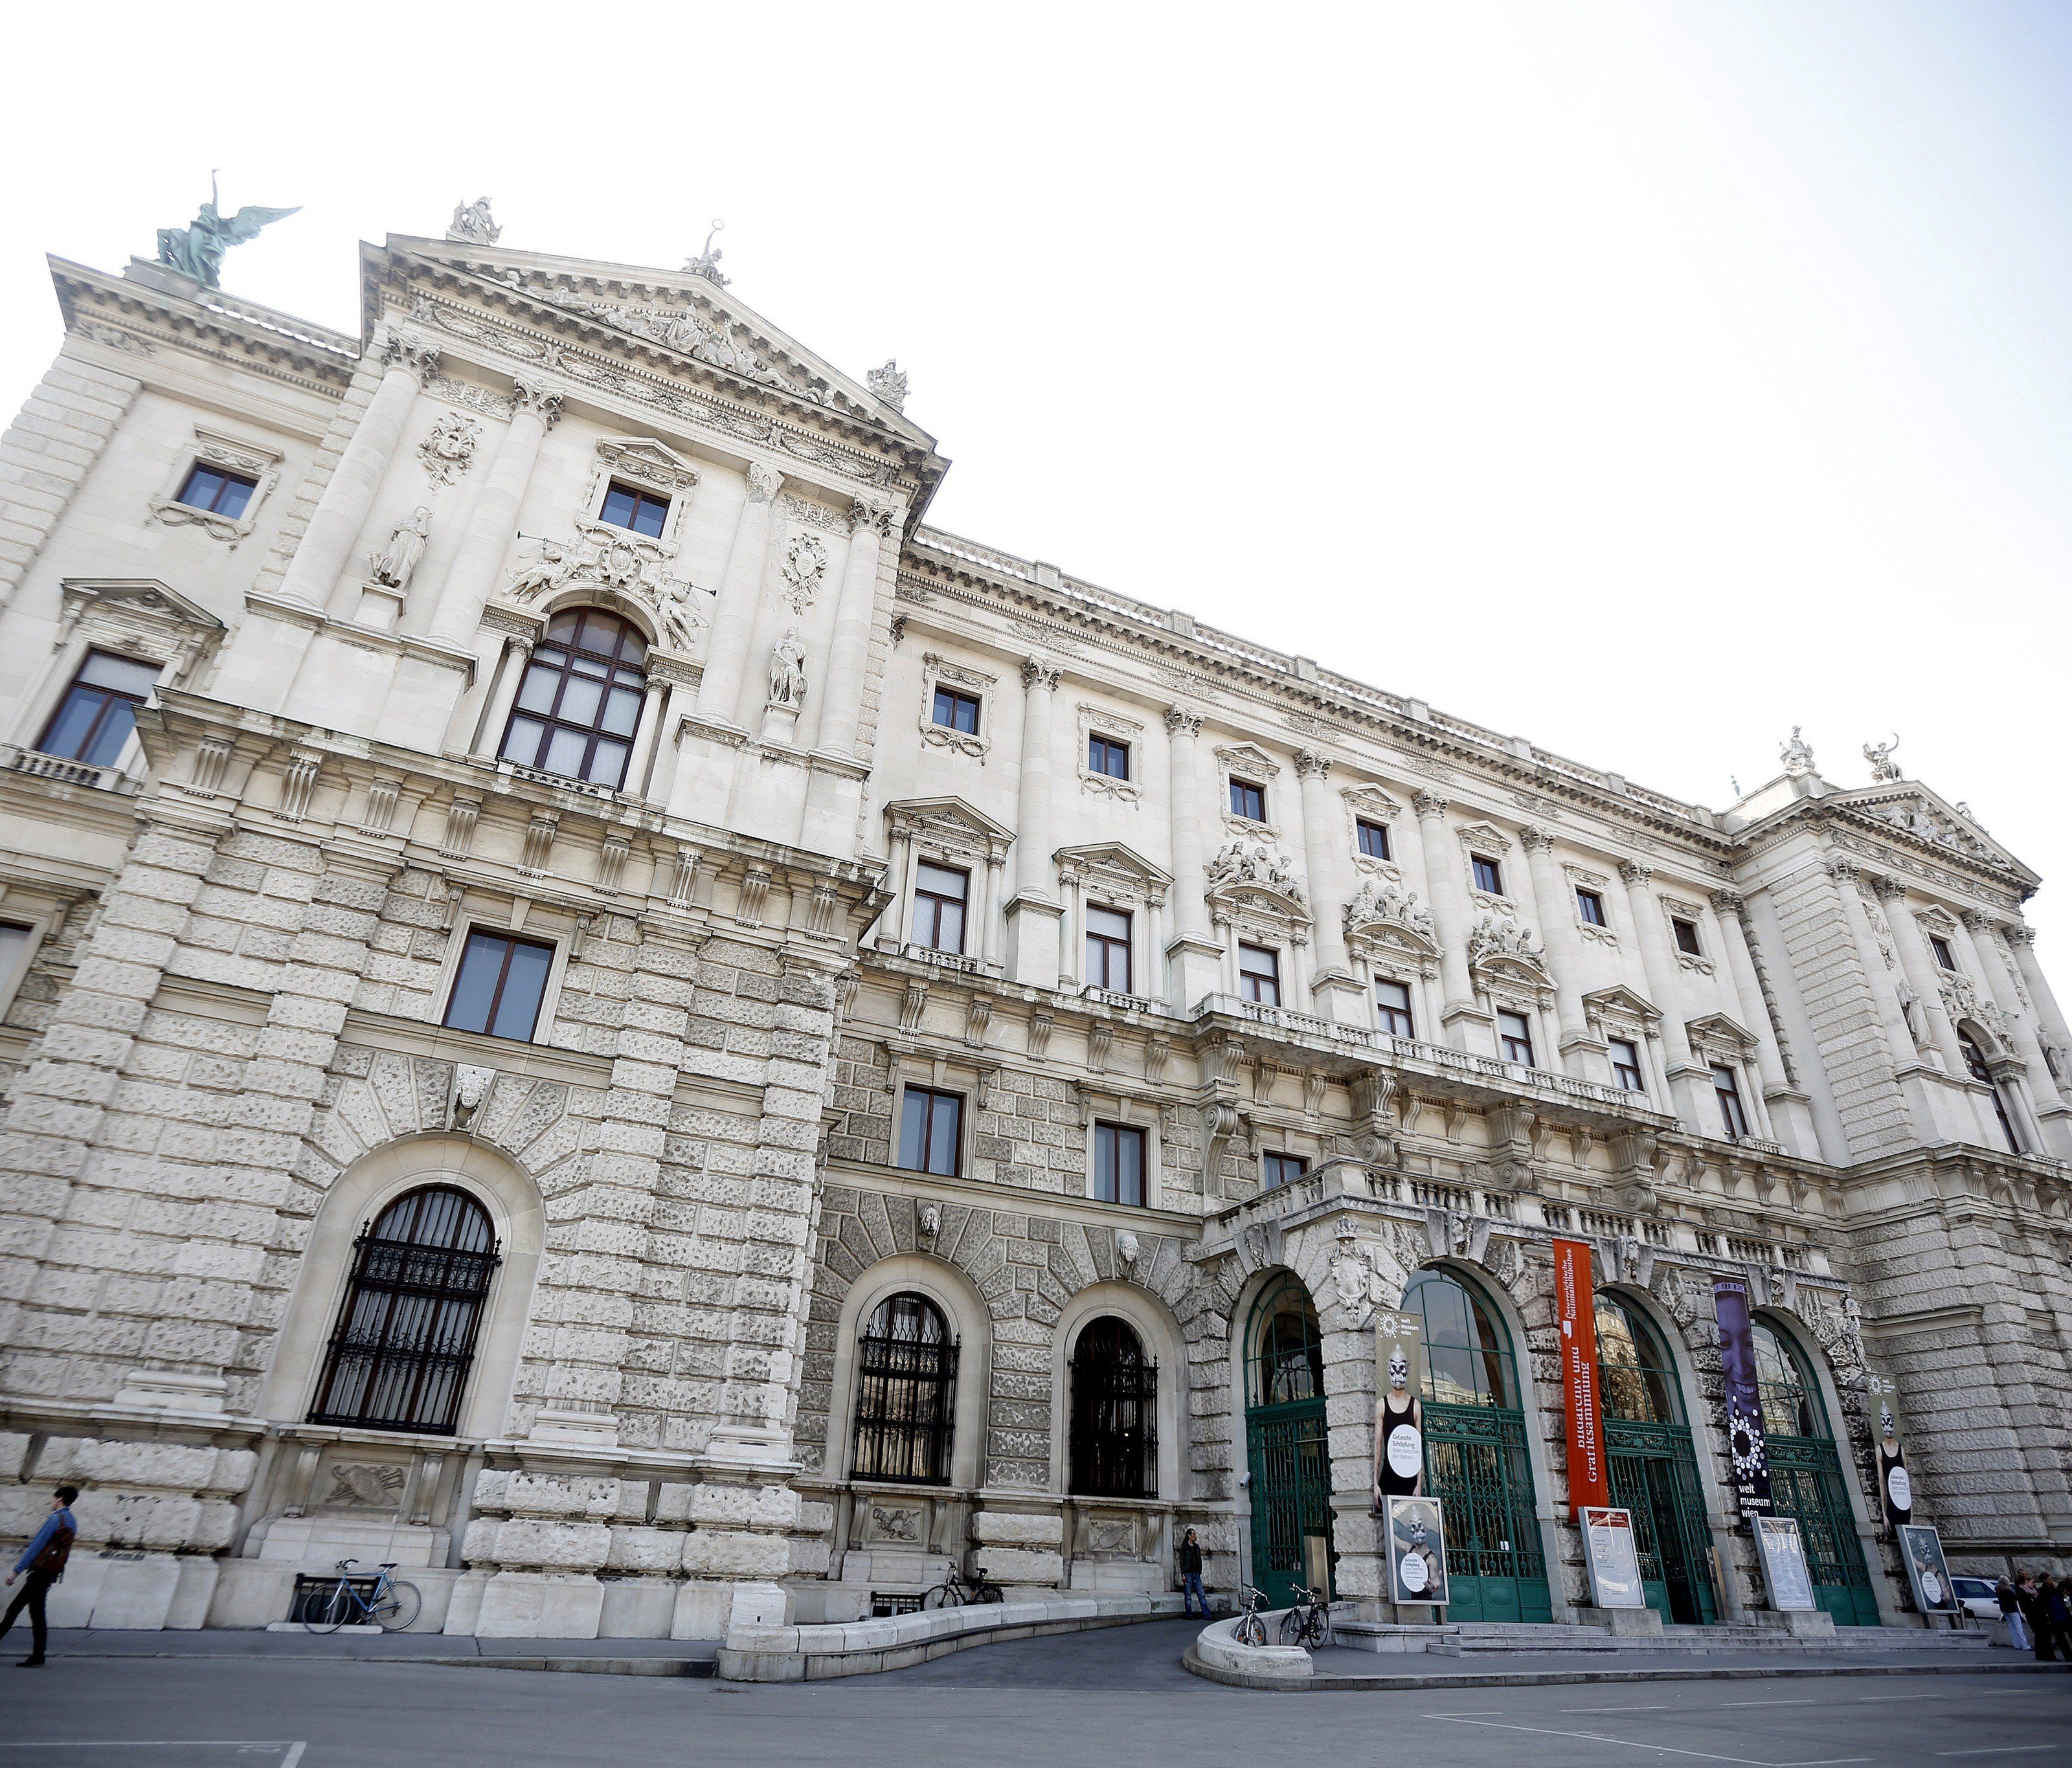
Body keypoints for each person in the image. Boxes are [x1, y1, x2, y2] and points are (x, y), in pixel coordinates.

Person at [2, 1485, 78, 1667]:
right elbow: (63, 1553)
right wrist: (54, 1575)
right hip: (49, 1573)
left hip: (39, 1573)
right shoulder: (72, 1521)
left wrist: (16, 1571)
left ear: (60, 1499)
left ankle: (38, 1655)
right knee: (37, 1613)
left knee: (15, 1609)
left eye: (54, 1498)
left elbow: (36, 1546)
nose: (53, 1501)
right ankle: (38, 1655)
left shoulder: (55, 1519)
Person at [2016, 1572, 2054, 1662]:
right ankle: (2042, 1655)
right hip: (2034, 1617)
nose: (2033, 1584)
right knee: (2040, 1635)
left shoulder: (2035, 1591)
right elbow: (2025, 1607)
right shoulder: (2023, 1593)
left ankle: (2048, 1655)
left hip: (2041, 1616)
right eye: (2032, 1582)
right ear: (2026, 1582)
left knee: (2045, 1635)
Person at [1178, 1528, 1210, 1619]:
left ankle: (1207, 1615)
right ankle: (1189, 1615)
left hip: (1196, 1573)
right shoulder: (1184, 1547)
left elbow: (1199, 1559)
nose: (1195, 1536)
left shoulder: (1196, 1547)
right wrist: (1183, 1574)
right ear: (1189, 1536)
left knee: (1202, 1595)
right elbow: (1182, 1561)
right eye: (1193, 1534)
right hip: (1188, 1573)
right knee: (1188, 1596)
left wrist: (1200, 1570)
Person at [1997, 1575, 2030, 1651]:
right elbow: (2016, 1598)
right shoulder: (2008, 1590)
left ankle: (2017, 1644)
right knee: (2018, 1627)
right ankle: (2025, 1645)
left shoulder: (1998, 1589)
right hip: (2012, 1609)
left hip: (2004, 1609)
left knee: (2012, 1627)